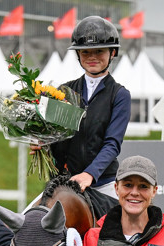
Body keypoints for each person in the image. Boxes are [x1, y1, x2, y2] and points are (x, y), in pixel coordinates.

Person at [48, 15, 131, 219]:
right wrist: (41, 143)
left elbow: (112, 144)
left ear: (112, 52)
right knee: (29, 225)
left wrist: (90, 174)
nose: (92, 56)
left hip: (103, 184)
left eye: (99, 51)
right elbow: (57, 139)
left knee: (125, 232)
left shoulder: (120, 96)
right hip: (65, 184)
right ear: (78, 55)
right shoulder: (63, 92)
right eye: (85, 52)